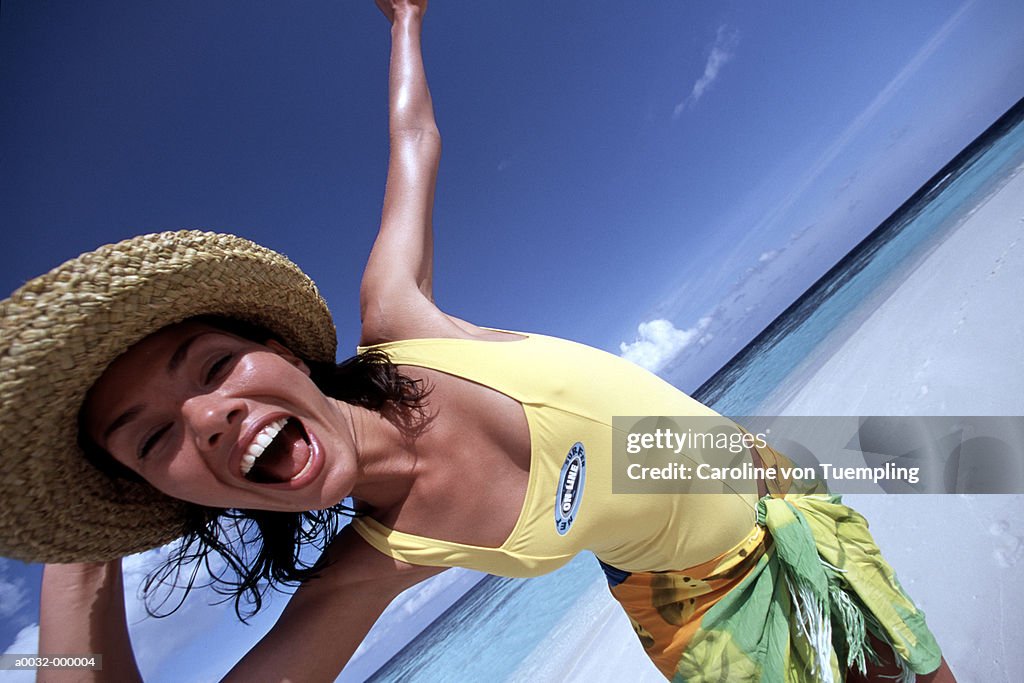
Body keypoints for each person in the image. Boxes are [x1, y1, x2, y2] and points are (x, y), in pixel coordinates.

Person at [0, 2, 955, 681]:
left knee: (977, 476)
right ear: (160, 490)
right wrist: (81, 537)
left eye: (211, 366)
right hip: (700, 607)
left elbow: (414, 142)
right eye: (154, 438)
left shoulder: (404, 322)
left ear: (284, 348)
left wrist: (406, 20)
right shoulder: (379, 562)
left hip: (748, 462)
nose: (208, 418)